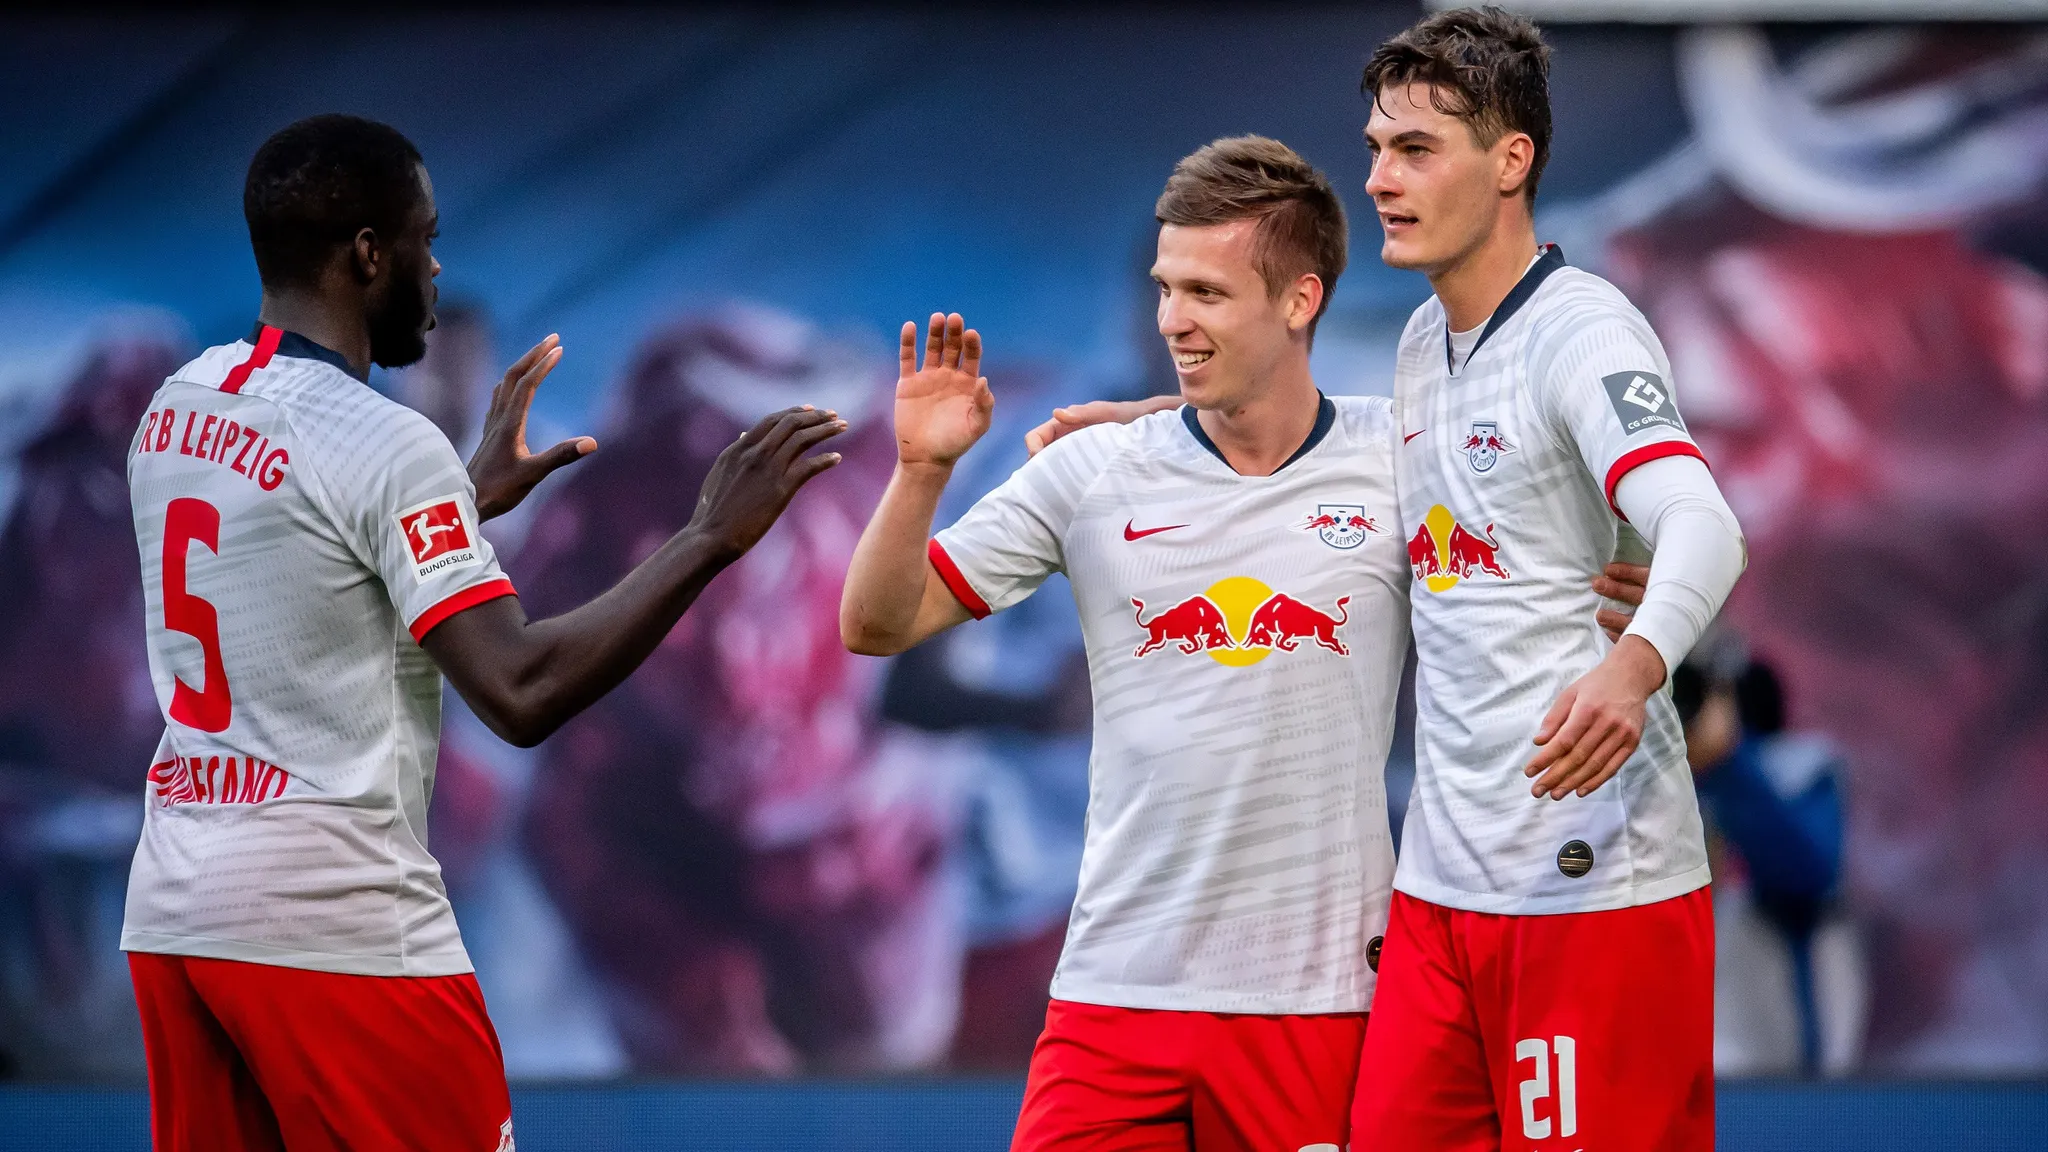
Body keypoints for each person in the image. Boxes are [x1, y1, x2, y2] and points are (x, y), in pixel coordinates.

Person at [1028, 9, 1747, 1150]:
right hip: (1438, 902)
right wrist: (1170, 414)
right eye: (1373, 148)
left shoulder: (1581, 334)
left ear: (1510, 161)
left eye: (1415, 150)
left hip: (1584, 891)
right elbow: (1342, 436)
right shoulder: (1424, 343)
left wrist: (1633, 665)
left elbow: (1702, 522)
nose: (1377, 179)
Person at [120, 114, 844, 1151]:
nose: (434, 263)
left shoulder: (175, 409)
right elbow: (518, 691)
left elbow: (293, 580)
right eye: (424, 237)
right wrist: (707, 538)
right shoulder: (381, 441)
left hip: (178, 915)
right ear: (369, 253)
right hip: (333, 922)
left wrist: (453, 505)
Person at [842, 137, 1410, 1151]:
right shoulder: (1089, 467)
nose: (1170, 322)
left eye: (1205, 291)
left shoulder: (1403, 455)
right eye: (1160, 289)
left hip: (1315, 1003)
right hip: (1112, 998)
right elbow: (877, 626)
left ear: (1298, 301)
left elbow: (1550, 550)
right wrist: (919, 473)